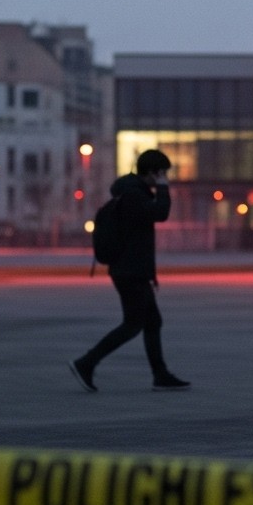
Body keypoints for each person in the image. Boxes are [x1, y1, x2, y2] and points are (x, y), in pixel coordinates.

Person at [69, 149, 190, 392]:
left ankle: (160, 374)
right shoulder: (134, 196)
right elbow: (161, 214)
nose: (165, 177)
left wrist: (150, 275)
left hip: (133, 271)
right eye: (162, 173)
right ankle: (87, 362)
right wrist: (164, 188)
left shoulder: (133, 193)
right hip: (129, 272)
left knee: (152, 322)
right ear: (153, 172)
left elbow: (138, 239)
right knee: (133, 324)